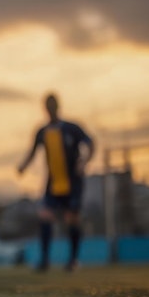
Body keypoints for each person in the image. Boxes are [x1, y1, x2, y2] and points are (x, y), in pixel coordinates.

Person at [17, 92, 94, 272]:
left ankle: (73, 260)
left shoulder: (72, 128)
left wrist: (85, 160)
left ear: (57, 107)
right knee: (45, 216)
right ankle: (45, 260)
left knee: (71, 219)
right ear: (45, 108)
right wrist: (23, 166)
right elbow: (33, 151)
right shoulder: (42, 132)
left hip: (73, 182)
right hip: (53, 183)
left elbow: (90, 143)